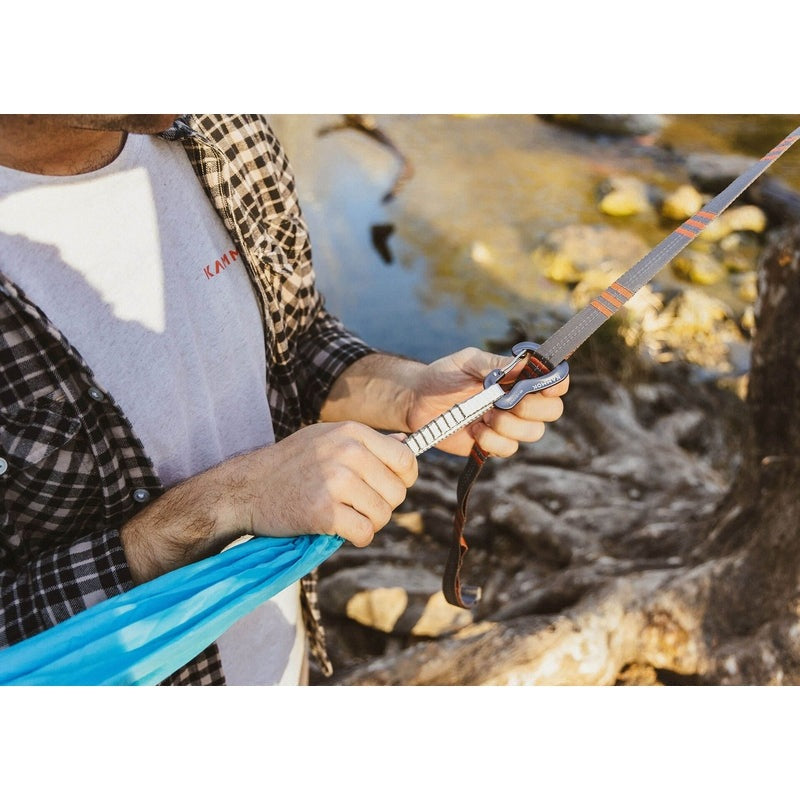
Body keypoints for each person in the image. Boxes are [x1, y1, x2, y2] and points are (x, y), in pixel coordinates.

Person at [0, 114, 569, 685]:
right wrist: (232, 499)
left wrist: (411, 393)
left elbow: (296, 340)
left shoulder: (223, 131)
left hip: (283, 657)